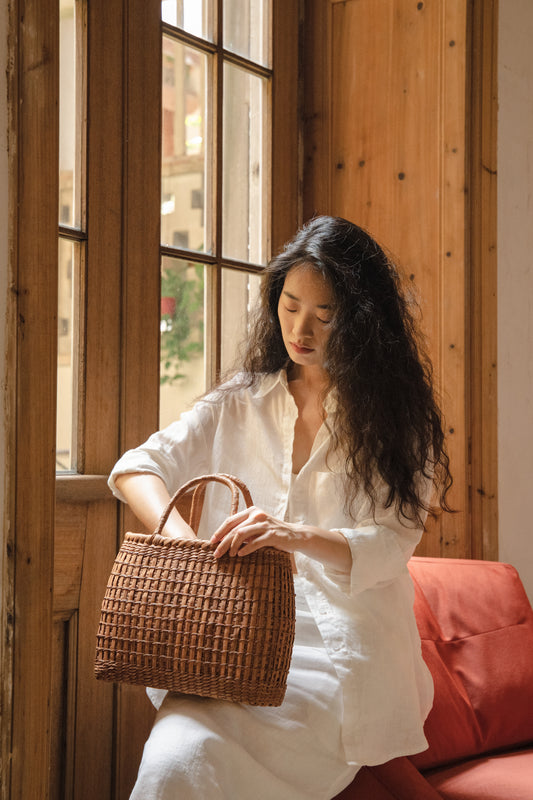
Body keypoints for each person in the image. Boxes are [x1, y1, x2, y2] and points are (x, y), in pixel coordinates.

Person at [109, 215, 452, 800]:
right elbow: (136, 467)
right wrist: (193, 548)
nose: (301, 328)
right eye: (290, 305)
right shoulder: (241, 400)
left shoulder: (397, 424)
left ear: (364, 322)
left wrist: (290, 534)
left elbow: (393, 543)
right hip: (231, 640)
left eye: (325, 315)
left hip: (338, 652)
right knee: (175, 758)